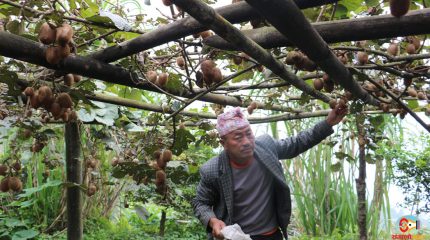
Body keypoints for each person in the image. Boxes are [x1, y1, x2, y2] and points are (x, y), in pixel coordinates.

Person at [192, 104, 348, 240]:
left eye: (248, 134)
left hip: (271, 235)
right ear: (223, 143)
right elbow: (200, 203)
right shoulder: (212, 170)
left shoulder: (266, 147)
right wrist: (212, 220)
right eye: (238, 137)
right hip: (237, 237)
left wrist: (328, 123)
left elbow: (298, 143)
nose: (246, 142)